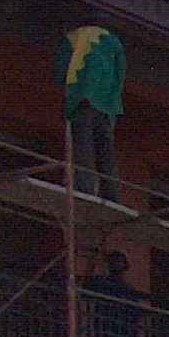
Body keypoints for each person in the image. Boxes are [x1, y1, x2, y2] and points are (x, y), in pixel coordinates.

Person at [58, 23, 125, 203]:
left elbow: (62, 69)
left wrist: (74, 94)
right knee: (105, 150)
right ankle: (112, 195)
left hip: (83, 99)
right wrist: (112, 103)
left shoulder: (74, 37)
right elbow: (120, 75)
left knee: (83, 146)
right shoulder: (115, 42)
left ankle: (84, 189)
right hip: (105, 105)